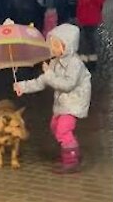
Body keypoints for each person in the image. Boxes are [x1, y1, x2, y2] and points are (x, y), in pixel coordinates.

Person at [13, 24, 91, 174]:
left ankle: (71, 160)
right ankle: (71, 151)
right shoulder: (55, 62)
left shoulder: (75, 64)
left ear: (67, 45)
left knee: (63, 129)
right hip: (62, 102)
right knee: (55, 126)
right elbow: (43, 81)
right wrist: (23, 87)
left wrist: (49, 74)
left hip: (74, 102)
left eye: (56, 45)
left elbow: (67, 85)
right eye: (51, 45)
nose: (53, 49)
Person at [76, 0, 106, 67]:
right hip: (83, 17)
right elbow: (80, 4)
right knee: (84, 38)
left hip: (92, 16)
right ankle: (85, 59)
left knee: (90, 38)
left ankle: (91, 60)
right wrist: (79, 16)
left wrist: (92, 2)